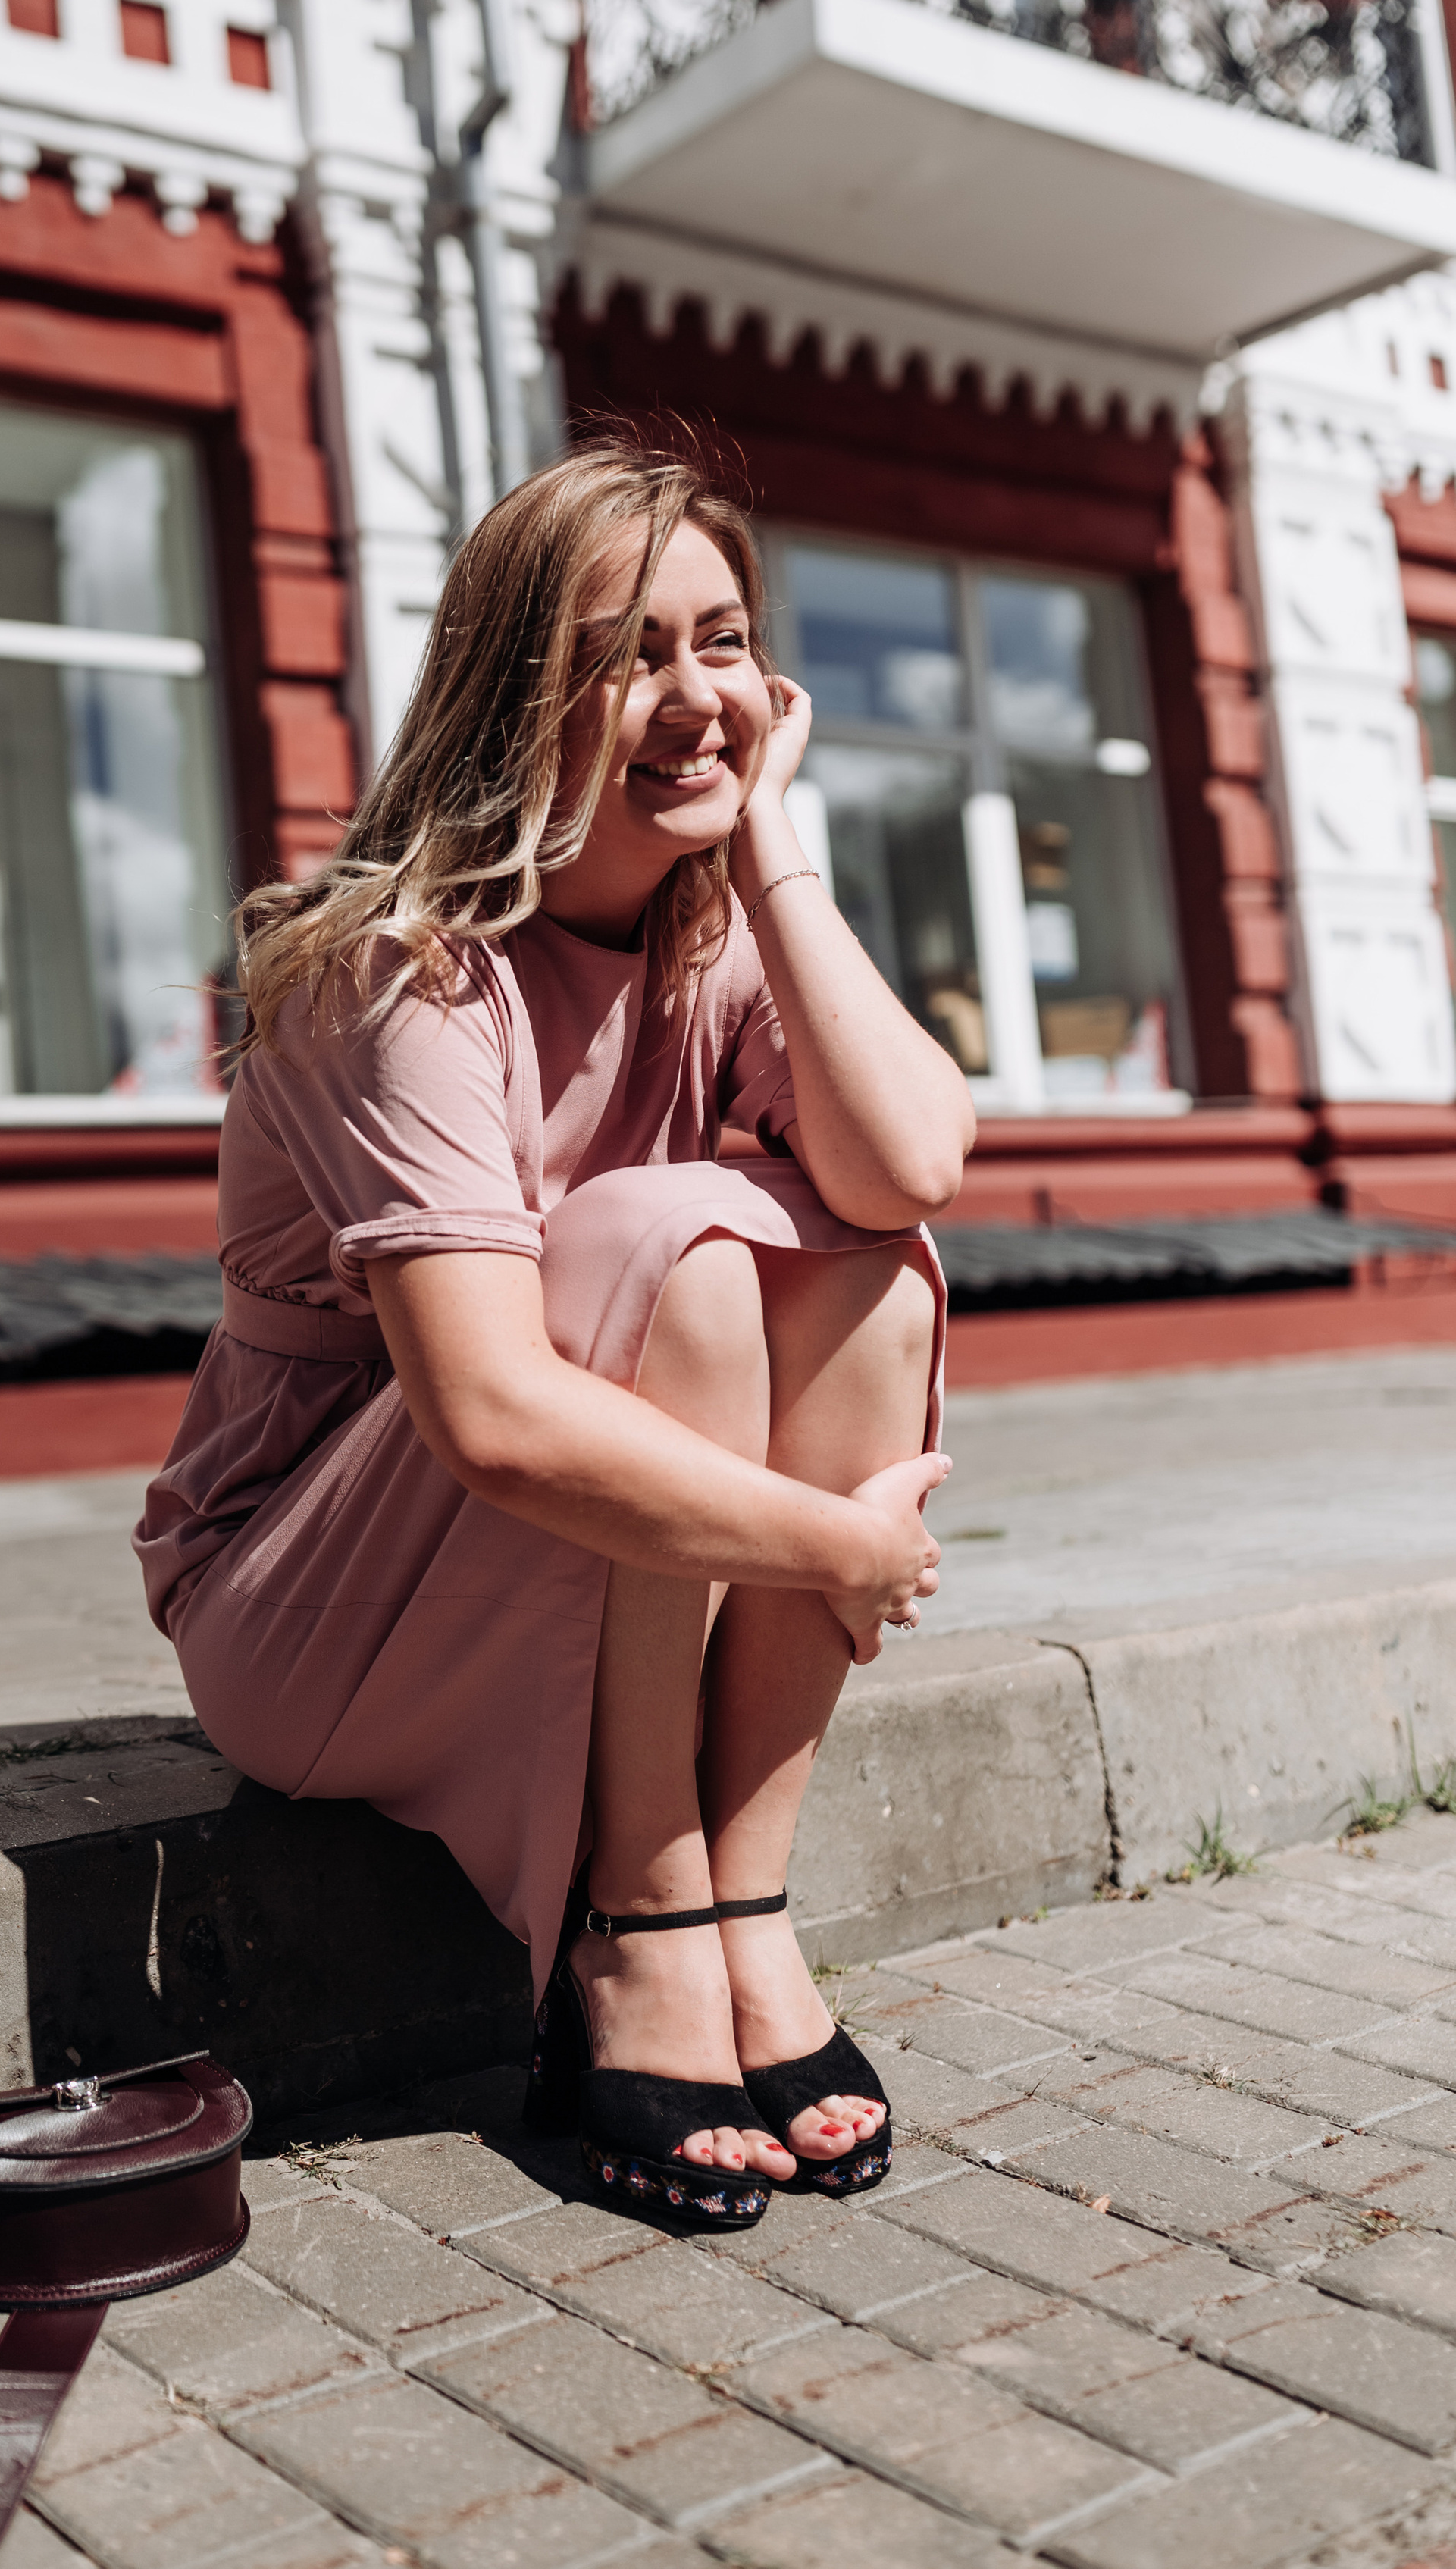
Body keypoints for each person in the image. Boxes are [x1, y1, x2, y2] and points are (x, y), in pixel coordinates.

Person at [136, 444, 974, 2230]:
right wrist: (840, 1544)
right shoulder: (388, 968)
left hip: (534, 1551)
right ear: (520, 695)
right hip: (307, 1606)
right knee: (666, 1234)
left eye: (725, 641)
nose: (694, 699)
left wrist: (772, 858)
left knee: (869, 1267)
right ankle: (637, 1924)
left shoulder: (705, 935)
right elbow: (499, 1418)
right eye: (625, 654)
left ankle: (739, 1907)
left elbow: (907, 1164)